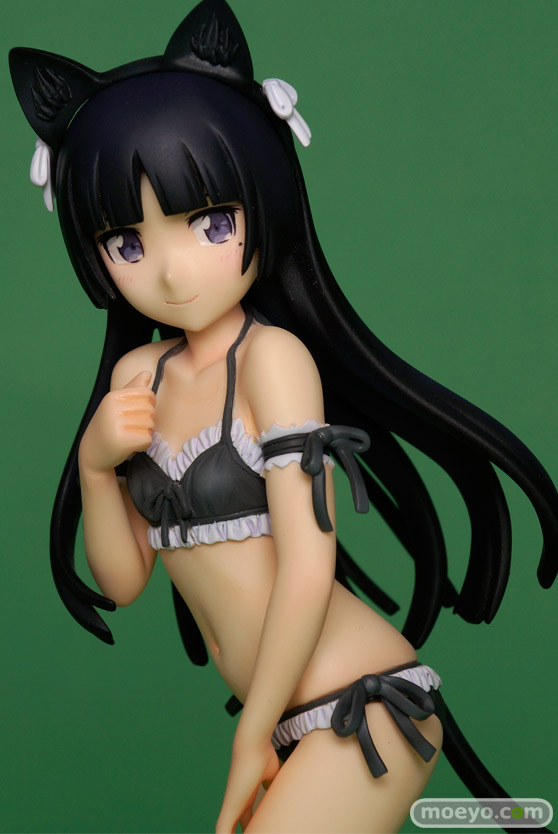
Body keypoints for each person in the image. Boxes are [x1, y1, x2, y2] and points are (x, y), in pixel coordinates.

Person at [9, 1, 557, 831]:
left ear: (261, 205)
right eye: (128, 243)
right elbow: (124, 582)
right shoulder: (137, 376)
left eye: (209, 224)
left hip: (360, 707)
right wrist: (93, 465)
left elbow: (307, 564)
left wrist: (251, 737)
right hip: (282, 719)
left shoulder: (271, 360)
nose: (170, 272)